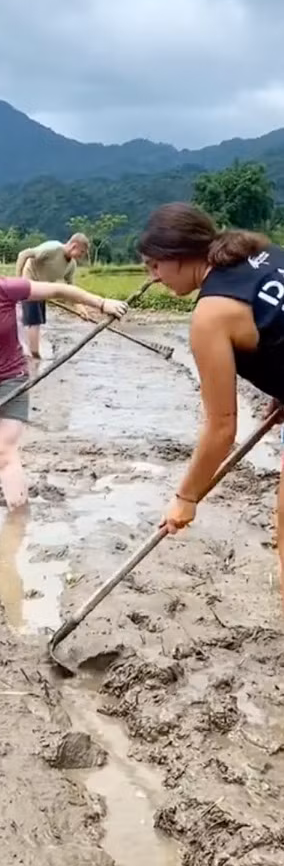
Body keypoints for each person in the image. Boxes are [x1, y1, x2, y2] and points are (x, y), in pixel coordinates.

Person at [137, 202, 284, 599]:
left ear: (179, 257)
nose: (152, 278)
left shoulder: (211, 314)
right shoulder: (265, 256)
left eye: (154, 265)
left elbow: (222, 426)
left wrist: (185, 498)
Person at [0, 244, 128, 510]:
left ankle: (18, 520)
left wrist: (102, 303)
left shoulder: (3, 290)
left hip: (10, 378)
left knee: (3, 450)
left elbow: (59, 290)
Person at [16, 234, 90, 358]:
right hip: (29, 283)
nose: (81, 256)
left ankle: (29, 351)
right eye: (81, 252)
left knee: (37, 320)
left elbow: (71, 288)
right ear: (74, 246)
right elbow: (24, 254)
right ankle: (35, 356)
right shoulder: (53, 248)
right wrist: (18, 281)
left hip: (43, 289)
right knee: (34, 321)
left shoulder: (71, 265)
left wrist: (80, 308)